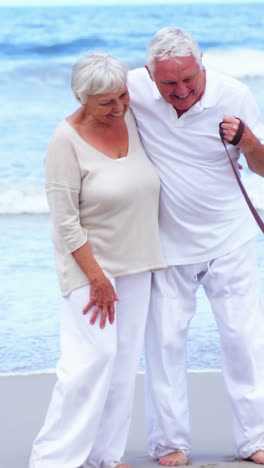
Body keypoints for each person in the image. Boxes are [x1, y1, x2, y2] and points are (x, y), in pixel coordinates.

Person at [128, 26, 264, 466]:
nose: (182, 91)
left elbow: (261, 167)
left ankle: (255, 439)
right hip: (166, 243)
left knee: (245, 341)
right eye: (169, 83)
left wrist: (246, 139)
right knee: (165, 344)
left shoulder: (234, 93)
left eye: (190, 79)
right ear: (150, 75)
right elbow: (90, 115)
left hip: (230, 238)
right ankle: (170, 443)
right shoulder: (132, 89)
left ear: (202, 66)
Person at [29, 51, 166, 468]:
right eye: (106, 102)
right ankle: (53, 460)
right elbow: (65, 222)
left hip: (139, 262)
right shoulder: (64, 140)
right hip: (91, 269)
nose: (119, 107)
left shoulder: (133, 120)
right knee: (89, 362)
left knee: (123, 363)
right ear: (81, 97)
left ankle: (104, 456)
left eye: (123, 96)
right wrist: (97, 278)